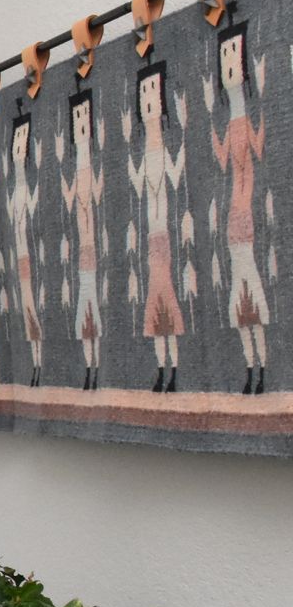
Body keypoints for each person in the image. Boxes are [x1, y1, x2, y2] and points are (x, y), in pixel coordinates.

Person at [208, 20, 271, 393]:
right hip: (234, 221)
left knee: (253, 298)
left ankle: (259, 369)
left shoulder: (243, 121)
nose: (229, 65)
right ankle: (252, 369)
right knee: (240, 302)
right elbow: (220, 160)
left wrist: (260, 91)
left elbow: (259, 151)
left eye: (234, 57)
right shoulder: (234, 126)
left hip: (244, 218)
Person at [127, 61, 187, 392]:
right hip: (152, 243)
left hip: (162, 239)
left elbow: (176, 178)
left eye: (152, 91)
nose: (148, 99)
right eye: (144, 92)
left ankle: (172, 370)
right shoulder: (152, 154)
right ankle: (162, 371)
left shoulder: (162, 151)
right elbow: (137, 184)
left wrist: (184, 139)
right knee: (154, 312)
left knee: (167, 308)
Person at [60, 90, 105, 389]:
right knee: (86, 319)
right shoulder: (78, 173)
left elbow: (98, 194)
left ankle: (95, 370)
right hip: (82, 259)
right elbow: (69, 198)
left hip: (91, 255)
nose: (80, 124)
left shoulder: (87, 171)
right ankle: (90, 371)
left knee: (93, 319)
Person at [5, 112, 44, 386]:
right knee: (27, 319)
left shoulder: (23, 191)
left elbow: (34, 205)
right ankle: (35, 368)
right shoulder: (11, 194)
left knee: (33, 320)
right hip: (19, 265)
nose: (19, 150)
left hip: (29, 264)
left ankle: (38, 367)